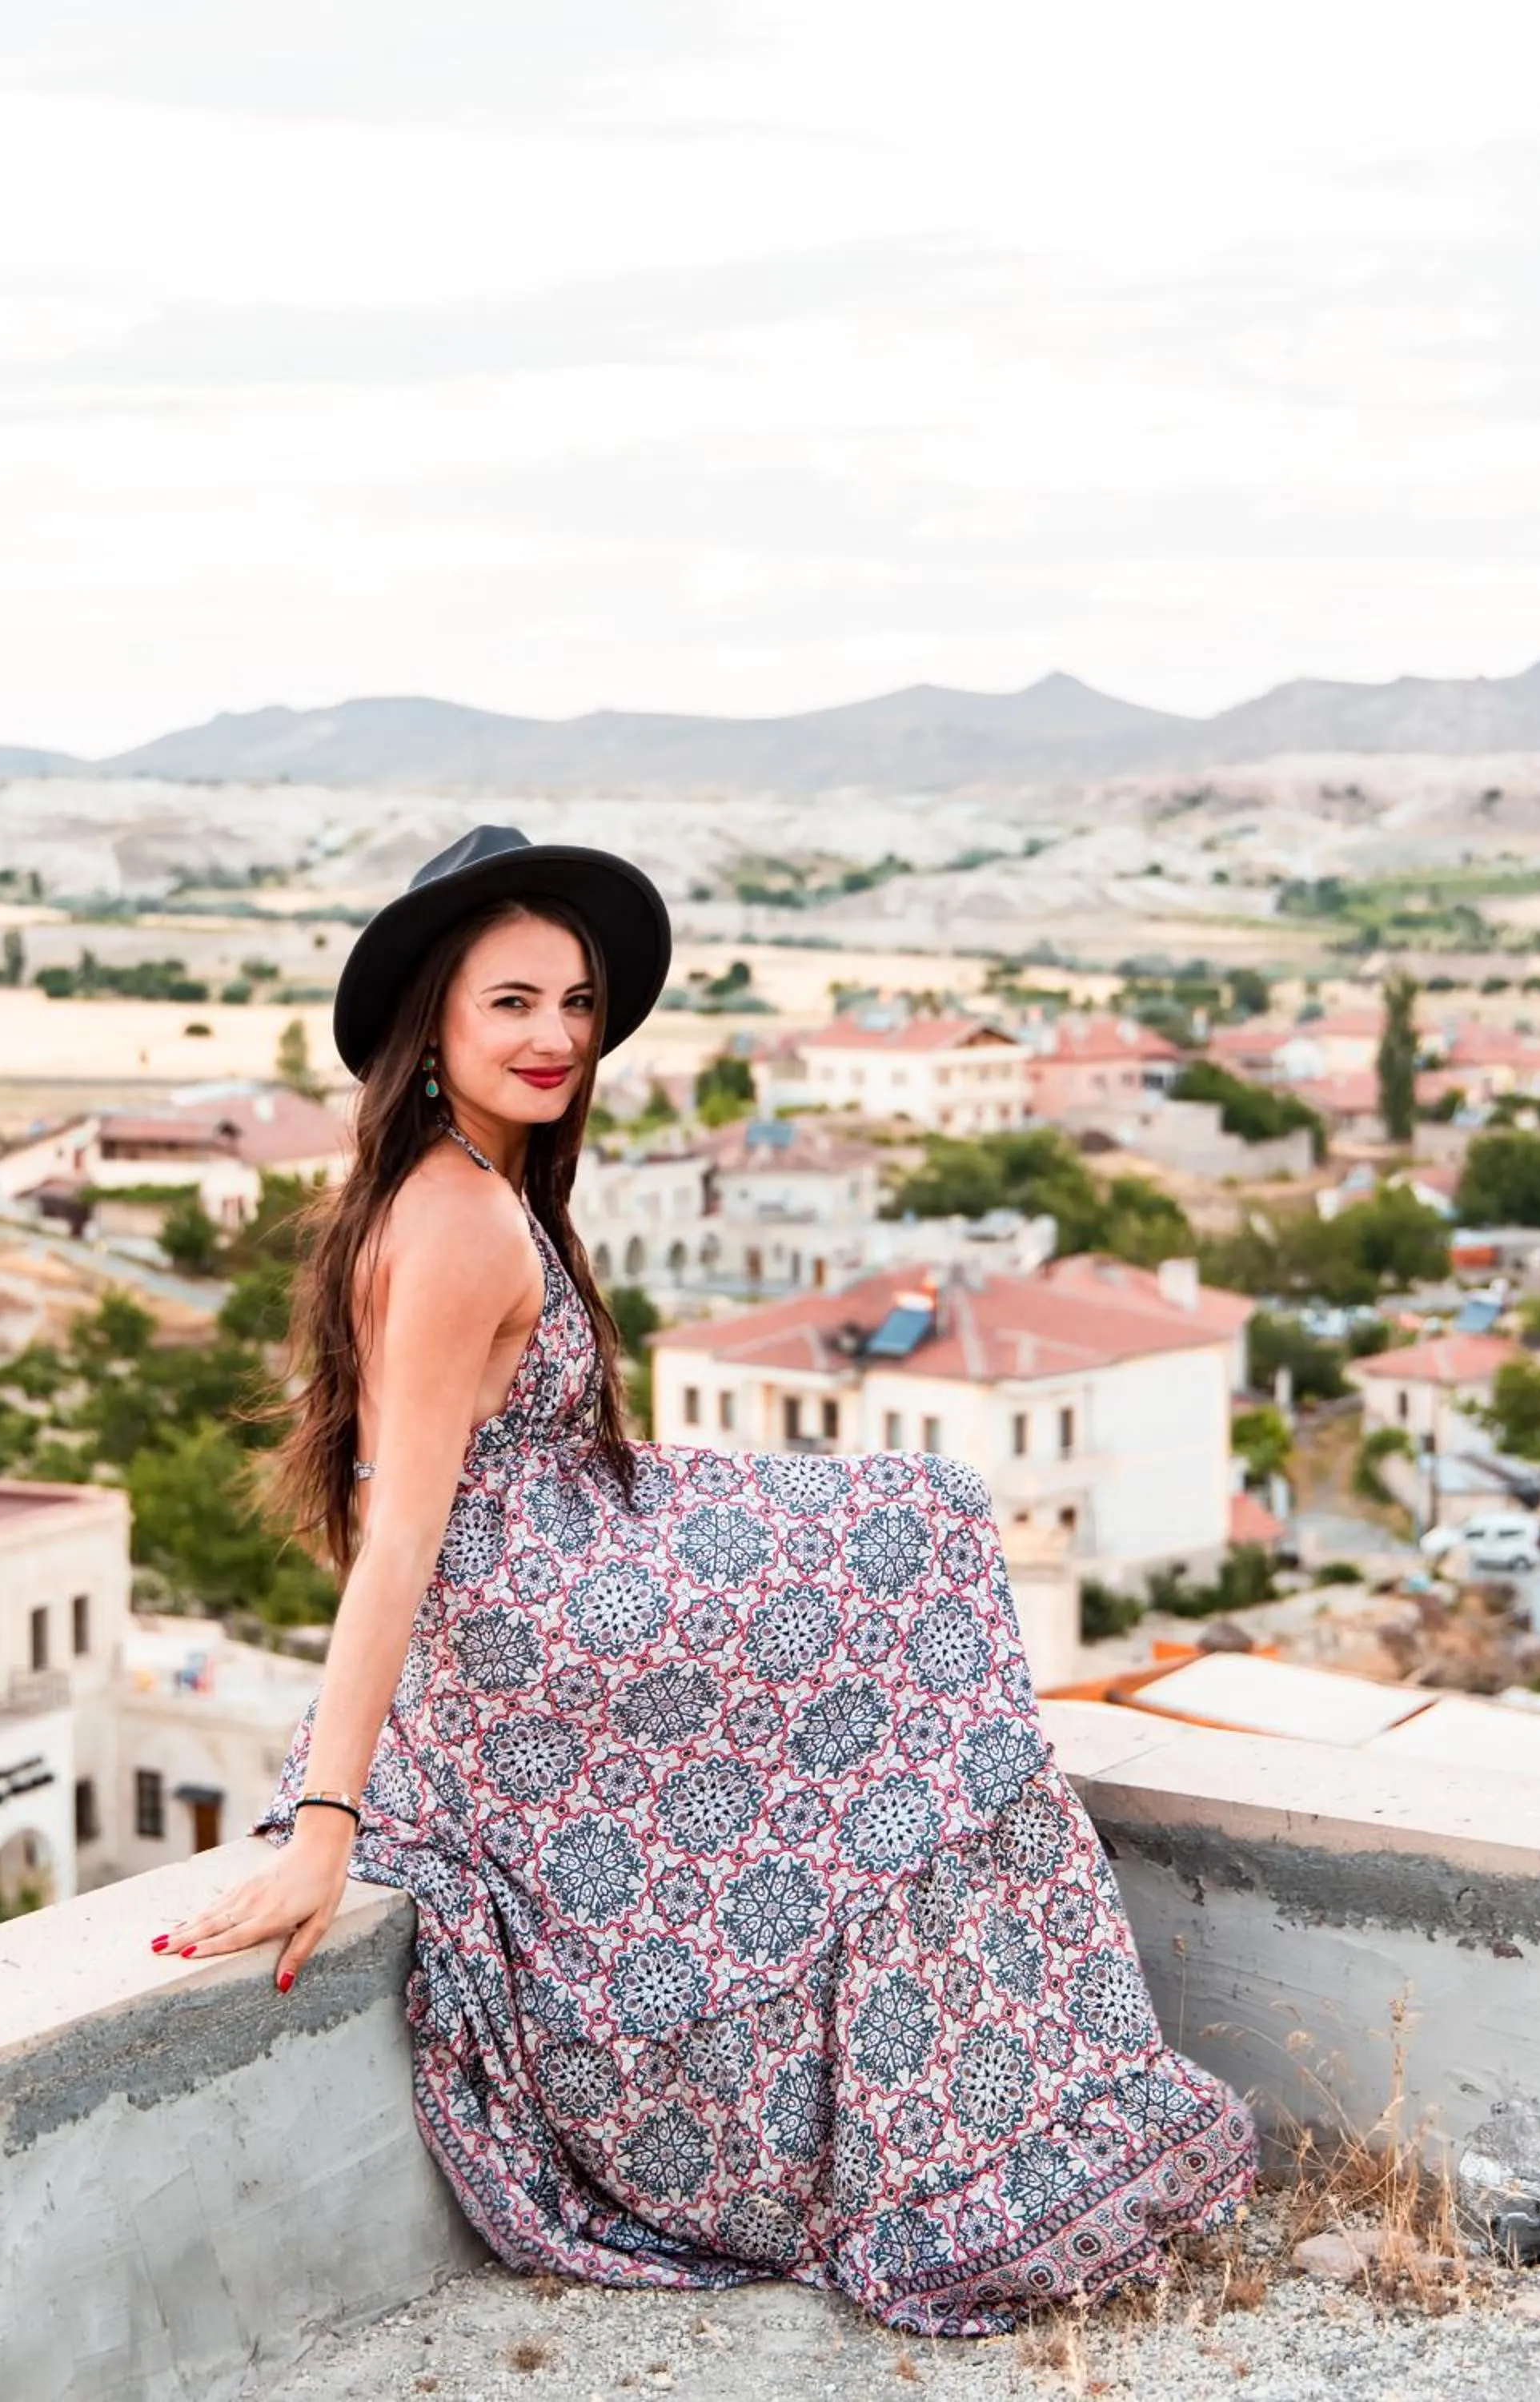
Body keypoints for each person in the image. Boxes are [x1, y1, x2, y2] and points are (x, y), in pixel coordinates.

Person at [150, 824, 1255, 2335]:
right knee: (924, 1544)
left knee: (914, 1550)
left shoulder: (460, 1183)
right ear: (434, 1028)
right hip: (533, 1613)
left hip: (548, 1572)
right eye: (512, 1003)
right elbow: (400, 1528)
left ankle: (970, 2099)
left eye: (578, 1004)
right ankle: (996, 2128)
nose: (555, 1037)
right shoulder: (461, 1216)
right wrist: (327, 1828)